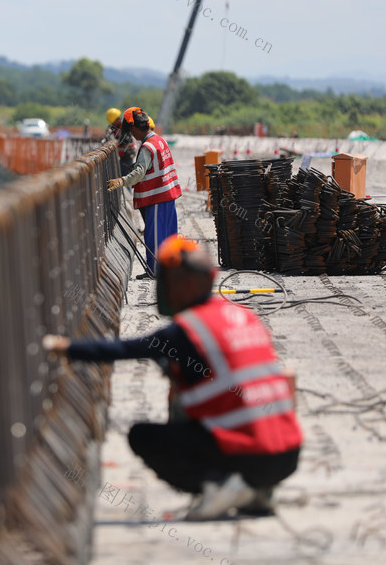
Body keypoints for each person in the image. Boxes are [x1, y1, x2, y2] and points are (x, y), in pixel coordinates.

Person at [43, 236, 302, 520]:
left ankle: (218, 484)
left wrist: (63, 347)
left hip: (249, 453)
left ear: (185, 284)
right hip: (287, 455)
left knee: (144, 437)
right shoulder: (241, 316)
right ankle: (257, 490)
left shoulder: (187, 330)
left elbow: (122, 349)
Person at [106, 107, 181, 278]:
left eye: (131, 132)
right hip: (168, 195)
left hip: (156, 197)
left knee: (154, 236)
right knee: (168, 234)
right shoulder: (160, 140)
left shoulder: (147, 147)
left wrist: (122, 181)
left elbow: (139, 173)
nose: (132, 136)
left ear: (134, 129)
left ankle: (154, 270)